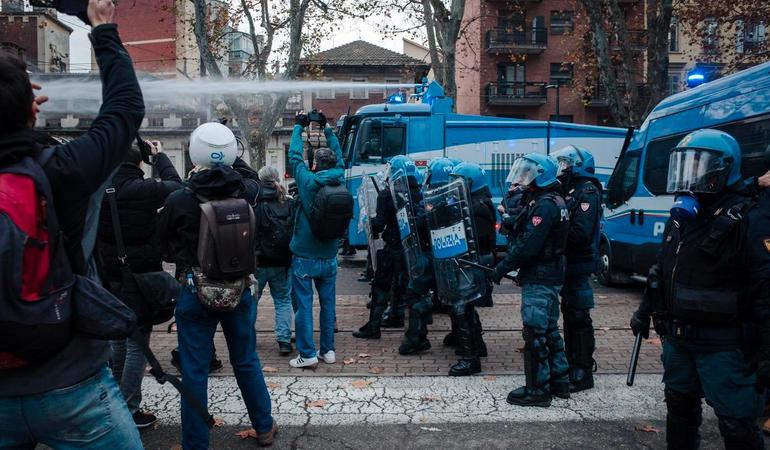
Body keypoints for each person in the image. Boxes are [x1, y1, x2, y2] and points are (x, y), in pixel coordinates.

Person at [0, 1, 146, 447]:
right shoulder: (62, 169)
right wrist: (103, 28)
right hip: (71, 383)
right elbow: (123, 110)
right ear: (31, 109)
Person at [630, 129, 770, 449]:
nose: (689, 175)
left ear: (722, 168)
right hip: (680, 343)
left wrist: (766, 354)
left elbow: (765, 291)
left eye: (698, 166)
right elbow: (663, 270)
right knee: (679, 413)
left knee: (737, 429)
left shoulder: (750, 216)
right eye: (684, 166)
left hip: (726, 349)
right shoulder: (683, 217)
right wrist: (644, 311)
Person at [157, 122, 276, 448]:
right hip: (239, 290)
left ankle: (196, 443)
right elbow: (250, 175)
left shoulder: (179, 199)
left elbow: (164, 247)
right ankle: (264, 427)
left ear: (194, 154)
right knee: (246, 360)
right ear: (231, 154)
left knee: (194, 370)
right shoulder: (247, 192)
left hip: (196, 291)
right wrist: (228, 154)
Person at [96, 140, 181, 429]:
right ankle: (129, 409)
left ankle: (115, 401)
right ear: (139, 163)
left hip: (109, 276)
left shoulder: (98, 191)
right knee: (136, 344)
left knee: (118, 339)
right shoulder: (141, 189)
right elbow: (175, 185)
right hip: (140, 275)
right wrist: (160, 156)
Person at [491, 153, 570, 407]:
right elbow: (527, 226)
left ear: (541, 175)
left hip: (540, 275)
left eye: (528, 173)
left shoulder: (545, 204)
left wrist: (502, 267)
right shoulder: (547, 200)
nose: (523, 178)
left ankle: (538, 390)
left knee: (535, 332)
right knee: (549, 330)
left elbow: (528, 245)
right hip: (549, 273)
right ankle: (560, 381)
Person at [288, 112, 346, 368]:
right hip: (329, 255)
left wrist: (299, 127)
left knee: (303, 306)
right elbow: (340, 157)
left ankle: (307, 353)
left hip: (304, 255)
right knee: (328, 306)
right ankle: (328, 351)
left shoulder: (307, 181)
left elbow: (294, 156)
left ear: (315, 164)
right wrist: (327, 129)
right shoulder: (340, 176)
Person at [551, 145, 602, 393]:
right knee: (570, 311)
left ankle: (582, 370)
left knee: (578, 315)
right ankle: (573, 363)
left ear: (578, 165)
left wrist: (554, 235)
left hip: (579, 262)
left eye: (566, 164)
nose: (563, 169)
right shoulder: (570, 190)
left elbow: (581, 232)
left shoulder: (587, 191)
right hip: (569, 262)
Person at [444, 162, 495, 376]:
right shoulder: (474, 202)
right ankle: (477, 345)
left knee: (462, 307)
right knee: (466, 306)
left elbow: (471, 237)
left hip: (474, 263)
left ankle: (470, 358)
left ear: (470, 183)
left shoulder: (477, 207)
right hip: (471, 262)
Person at [353, 159, 410, 340]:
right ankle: (398, 316)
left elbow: (379, 224)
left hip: (392, 247)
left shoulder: (387, 194)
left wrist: (371, 223)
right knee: (403, 286)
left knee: (381, 287)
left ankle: (373, 326)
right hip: (410, 248)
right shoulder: (415, 192)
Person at [387, 155, 433, 356]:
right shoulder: (420, 192)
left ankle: (416, 338)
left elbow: (420, 224)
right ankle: (418, 336)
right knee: (417, 293)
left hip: (419, 252)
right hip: (420, 251)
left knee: (416, 294)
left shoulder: (409, 195)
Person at [254, 165, 295, 356]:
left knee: (252, 301)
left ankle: (248, 338)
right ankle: (284, 340)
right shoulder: (287, 201)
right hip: (282, 259)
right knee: (283, 301)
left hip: (259, 260)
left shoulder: (254, 201)